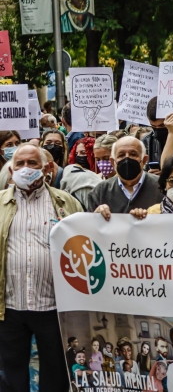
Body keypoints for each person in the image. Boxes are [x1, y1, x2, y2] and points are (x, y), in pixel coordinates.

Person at [0, 144, 82, 392]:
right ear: (11, 169)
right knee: (11, 373)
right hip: (10, 307)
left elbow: (84, 245)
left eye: (32, 163)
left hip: (52, 307)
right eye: (20, 164)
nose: (26, 169)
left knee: (55, 373)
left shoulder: (66, 202)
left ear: (46, 168)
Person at [90, 136, 163, 218]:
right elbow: (88, 226)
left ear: (144, 160)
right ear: (112, 161)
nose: (127, 158)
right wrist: (96, 216)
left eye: (133, 154)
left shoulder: (161, 187)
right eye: (121, 155)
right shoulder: (100, 191)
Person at [142, 98, 173, 171]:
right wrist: (149, 176)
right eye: (153, 126)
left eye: (162, 125)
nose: (157, 130)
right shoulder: (147, 141)